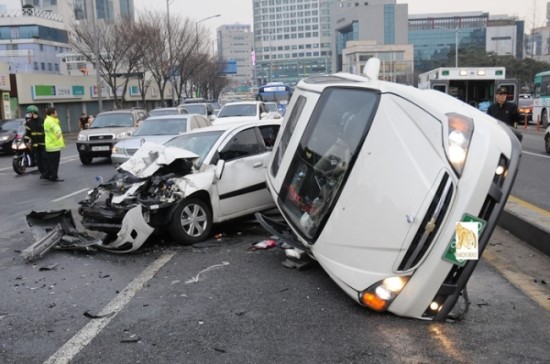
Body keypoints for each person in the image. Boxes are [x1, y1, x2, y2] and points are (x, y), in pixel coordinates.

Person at [23, 105, 47, 178]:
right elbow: (28, 133)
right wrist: (26, 141)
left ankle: (47, 172)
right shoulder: (29, 123)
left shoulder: (43, 121)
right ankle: (42, 173)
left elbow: (46, 132)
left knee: (45, 159)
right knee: (38, 159)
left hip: (43, 144)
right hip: (35, 144)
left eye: (30, 113)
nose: (29, 115)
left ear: (34, 112)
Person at [43, 107, 65, 182]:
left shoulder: (46, 120)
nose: (57, 113)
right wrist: (58, 134)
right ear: (52, 113)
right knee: (55, 163)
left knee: (50, 162)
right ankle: (54, 176)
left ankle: (47, 175)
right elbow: (57, 130)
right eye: (56, 112)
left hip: (49, 145)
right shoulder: (52, 121)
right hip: (54, 145)